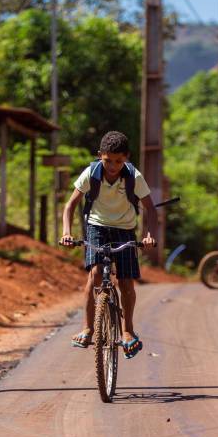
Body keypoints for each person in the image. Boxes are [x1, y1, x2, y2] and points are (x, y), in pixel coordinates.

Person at [60, 131, 157, 359]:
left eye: (118, 161)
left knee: (125, 281)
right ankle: (88, 328)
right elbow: (70, 205)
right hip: (96, 226)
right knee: (94, 275)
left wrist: (149, 235)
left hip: (124, 229)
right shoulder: (91, 173)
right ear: (100, 156)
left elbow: (150, 209)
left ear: (126, 158)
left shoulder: (134, 176)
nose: (113, 166)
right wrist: (66, 232)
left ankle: (128, 330)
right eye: (108, 161)